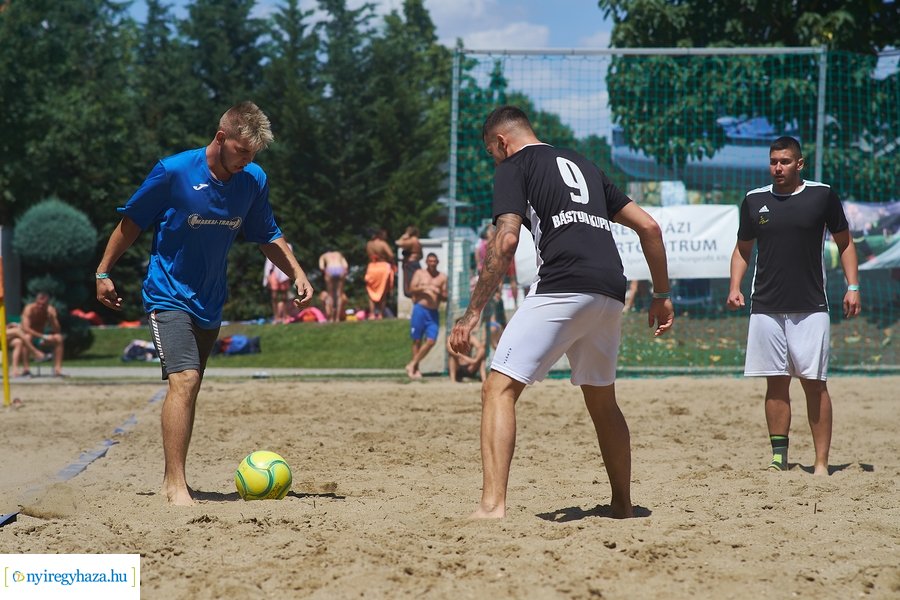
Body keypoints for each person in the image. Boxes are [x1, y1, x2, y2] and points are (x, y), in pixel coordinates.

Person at [449, 105, 674, 519]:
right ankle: (622, 505)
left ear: (502, 143)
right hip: (609, 293)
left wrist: (471, 313)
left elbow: (506, 241)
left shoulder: (514, 164)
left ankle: (492, 506)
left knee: (498, 389)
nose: (494, 160)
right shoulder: (584, 164)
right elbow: (650, 227)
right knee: (603, 401)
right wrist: (661, 294)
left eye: (491, 152)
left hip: (564, 286)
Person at [95, 101, 313, 505]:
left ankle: (178, 478)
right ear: (221, 138)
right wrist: (104, 271)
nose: (247, 162)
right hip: (167, 294)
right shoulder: (174, 171)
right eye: (242, 152)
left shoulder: (252, 180)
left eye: (254, 156)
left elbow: (267, 233)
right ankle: (173, 484)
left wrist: (296, 272)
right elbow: (132, 222)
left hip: (210, 302)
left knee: (190, 387)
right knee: (185, 380)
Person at [727, 135, 860, 477]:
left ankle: (820, 463)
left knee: (814, 383)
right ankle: (778, 458)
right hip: (766, 306)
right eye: (773, 161)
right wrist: (735, 286)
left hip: (811, 305)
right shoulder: (754, 200)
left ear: (799, 164)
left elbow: (845, 243)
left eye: (785, 161)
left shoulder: (822, 195)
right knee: (775, 382)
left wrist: (853, 286)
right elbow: (743, 248)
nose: (778, 168)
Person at [405, 252, 448, 379]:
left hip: (433, 312)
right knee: (417, 340)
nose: (432, 263)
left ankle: (412, 364)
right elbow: (411, 289)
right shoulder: (419, 273)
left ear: (437, 262)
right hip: (420, 309)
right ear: (426, 262)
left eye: (434, 261)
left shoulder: (442, 277)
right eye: (430, 261)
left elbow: (445, 296)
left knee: (431, 340)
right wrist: (424, 289)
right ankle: (415, 369)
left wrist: (438, 292)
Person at [15, 291, 65, 377]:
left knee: (59, 338)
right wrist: (44, 336)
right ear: (36, 301)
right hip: (32, 336)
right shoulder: (29, 309)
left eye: (43, 304)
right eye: (39, 304)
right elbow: (26, 328)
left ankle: (58, 370)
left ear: (47, 304)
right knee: (27, 337)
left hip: (41, 337)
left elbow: (57, 330)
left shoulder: (49, 310)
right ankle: (26, 369)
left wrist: (52, 318)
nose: (41, 306)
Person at [364, 229, 395, 319]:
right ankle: (381, 314)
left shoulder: (369, 244)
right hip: (382, 266)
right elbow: (391, 255)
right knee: (383, 292)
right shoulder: (382, 244)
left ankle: (372, 314)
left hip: (372, 267)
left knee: (371, 292)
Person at [263, 244, 293, 323]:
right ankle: (276, 317)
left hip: (284, 272)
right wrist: (267, 276)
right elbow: (268, 262)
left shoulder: (288, 246)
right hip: (273, 272)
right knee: (274, 296)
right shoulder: (270, 246)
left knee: (284, 295)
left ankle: (285, 316)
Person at [318, 250, 349, 323]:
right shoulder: (339, 254)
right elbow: (346, 266)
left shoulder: (323, 255)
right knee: (339, 295)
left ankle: (331, 318)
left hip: (330, 268)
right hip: (340, 268)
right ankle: (338, 318)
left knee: (330, 295)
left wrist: (326, 273)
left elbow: (321, 267)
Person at [395, 226, 423, 298]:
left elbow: (398, 243)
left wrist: (404, 236)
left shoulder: (412, 240)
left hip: (410, 264)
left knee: (410, 287)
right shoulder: (417, 241)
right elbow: (420, 255)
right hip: (414, 263)